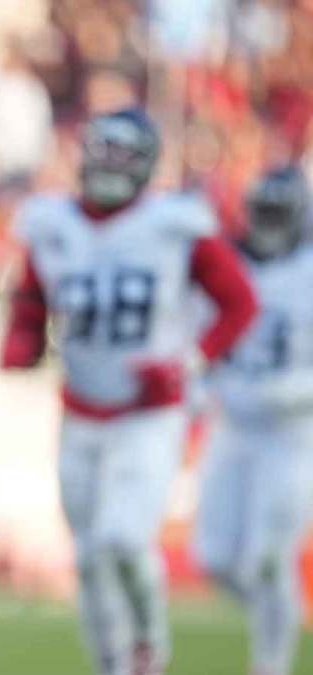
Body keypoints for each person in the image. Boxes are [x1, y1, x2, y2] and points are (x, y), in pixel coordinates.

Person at [0, 108, 258, 675]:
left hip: (150, 412)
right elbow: (31, 297)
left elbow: (239, 303)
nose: (109, 164)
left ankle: (148, 649)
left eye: (123, 154)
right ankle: (111, 664)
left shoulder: (174, 221)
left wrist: (191, 362)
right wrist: (22, 340)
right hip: (80, 412)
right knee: (90, 559)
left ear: (145, 165)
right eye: (102, 150)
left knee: (121, 538)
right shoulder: (52, 222)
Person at [195, 166, 313, 675]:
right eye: (261, 211)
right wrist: (198, 386)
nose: (266, 222)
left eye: (276, 213)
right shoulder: (226, 262)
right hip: (234, 427)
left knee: (269, 558)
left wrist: (300, 390)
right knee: (216, 559)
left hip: (293, 434)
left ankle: (272, 667)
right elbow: (197, 333)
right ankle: (283, 616)